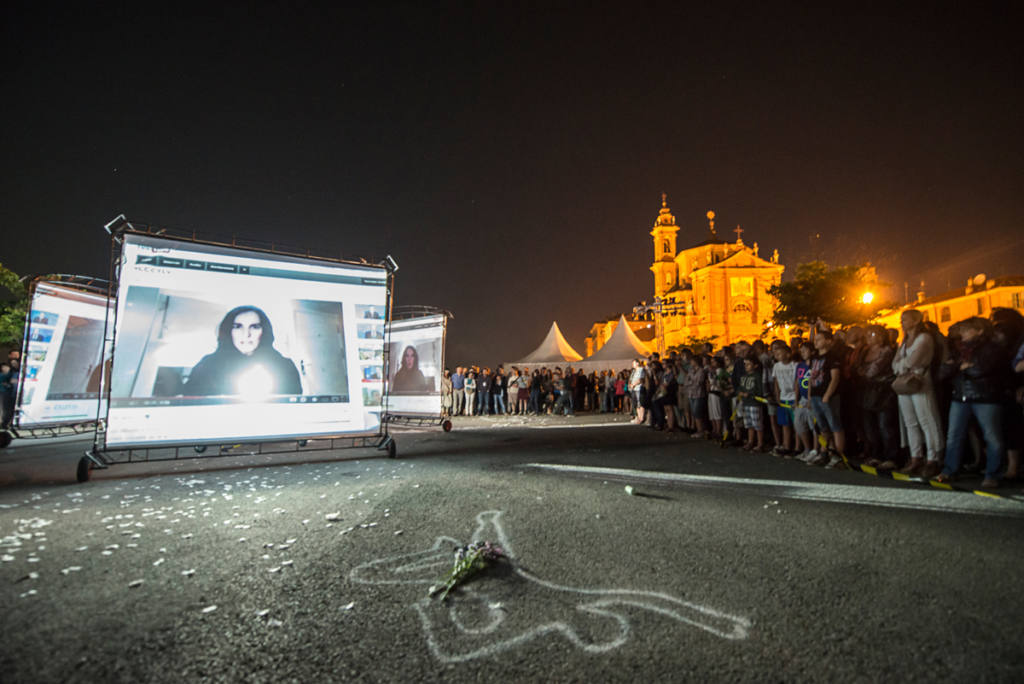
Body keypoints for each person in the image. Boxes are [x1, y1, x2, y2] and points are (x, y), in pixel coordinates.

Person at [935, 318, 1005, 488]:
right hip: (960, 395)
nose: (962, 334)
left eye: (967, 330)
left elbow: (981, 369)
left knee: (992, 436)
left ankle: (992, 474)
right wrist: (962, 365)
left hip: (985, 396)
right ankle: (949, 470)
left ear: (979, 331)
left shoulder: (991, 348)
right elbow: (943, 371)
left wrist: (960, 367)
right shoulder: (959, 349)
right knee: (954, 435)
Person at [185, 306, 301, 396]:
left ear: (264, 331)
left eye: (254, 327)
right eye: (238, 327)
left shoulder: (284, 366)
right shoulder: (207, 365)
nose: (246, 334)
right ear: (228, 331)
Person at [891, 309, 945, 477]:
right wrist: (902, 365)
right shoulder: (905, 341)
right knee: (910, 422)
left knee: (927, 420)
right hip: (905, 383)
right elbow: (895, 363)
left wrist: (902, 365)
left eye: (905, 319)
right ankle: (916, 457)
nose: (902, 322)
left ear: (915, 321)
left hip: (920, 382)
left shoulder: (924, 338)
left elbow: (914, 360)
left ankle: (933, 457)